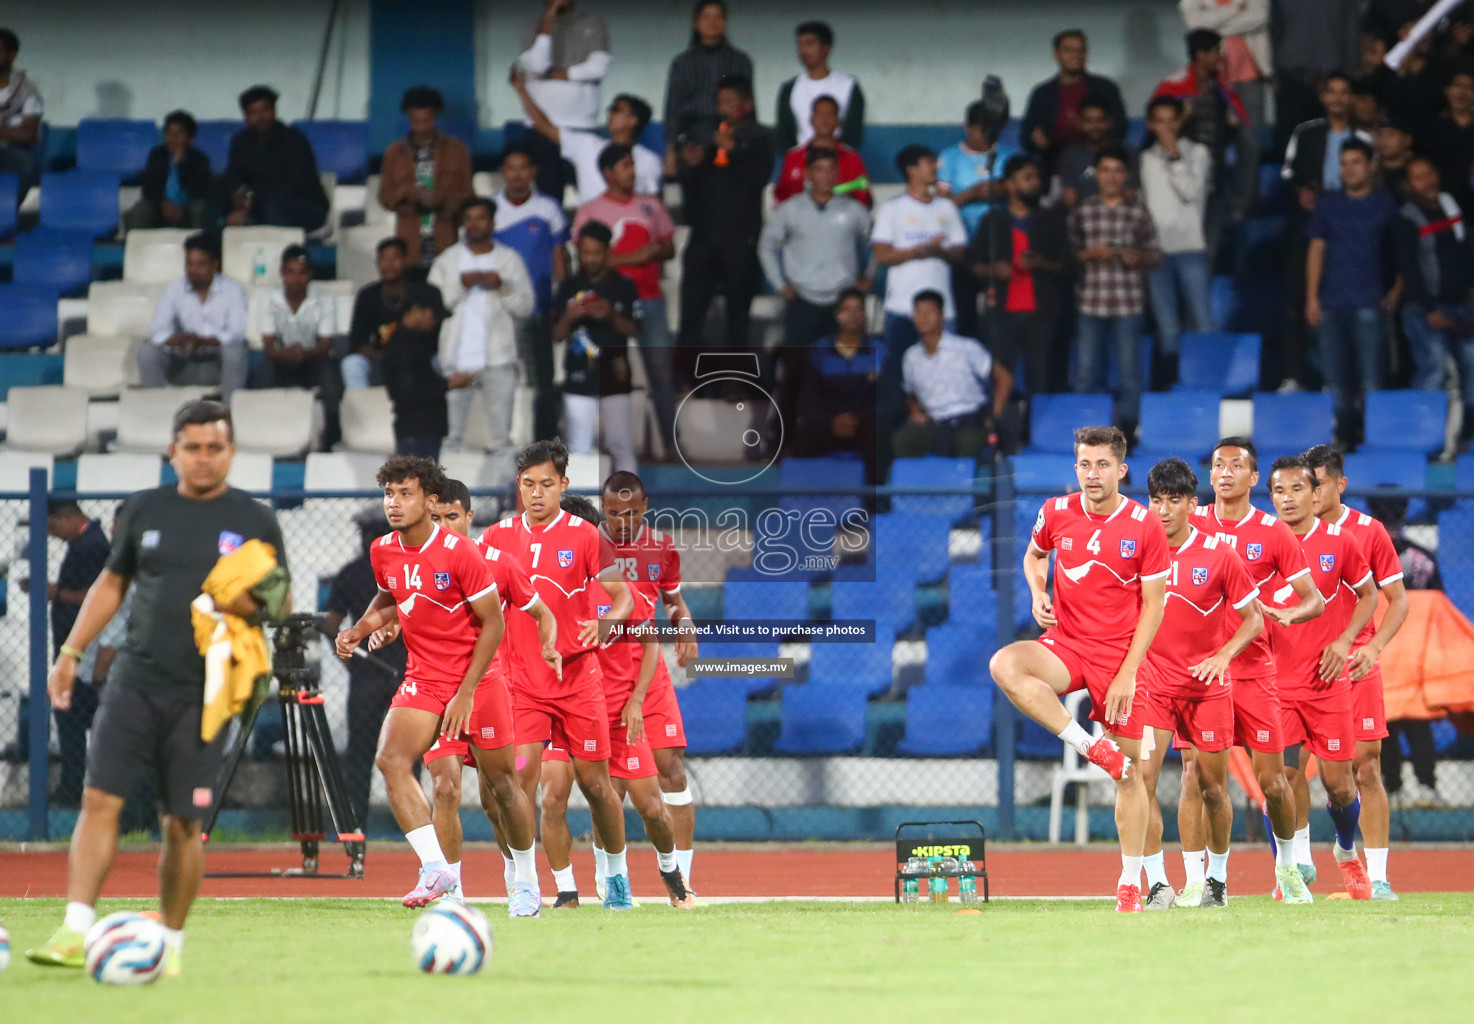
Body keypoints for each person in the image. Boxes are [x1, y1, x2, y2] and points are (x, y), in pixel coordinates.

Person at [29, 400, 287, 972]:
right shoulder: (145, 510)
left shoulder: (255, 520)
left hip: (205, 697)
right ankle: (75, 928)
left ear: (231, 452)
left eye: (214, 448)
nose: (202, 458)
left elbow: (280, 604)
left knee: (182, 824)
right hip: (134, 682)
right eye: (191, 447)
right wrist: (70, 652)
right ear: (174, 451)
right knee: (100, 800)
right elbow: (111, 584)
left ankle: (168, 945)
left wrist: (239, 600)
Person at [334, 456, 542, 916]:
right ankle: (438, 870)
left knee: (503, 786)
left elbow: (493, 625)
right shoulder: (382, 549)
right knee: (394, 762)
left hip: (479, 682)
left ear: (429, 501)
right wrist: (363, 627)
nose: (394, 502)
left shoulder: (462, 553)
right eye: (388, 493)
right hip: (424, 679)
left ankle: (524, 879)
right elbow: (391, 595)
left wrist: (468, 691)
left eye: (404, 493)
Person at [988, 426, 1169, 912]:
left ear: (1121, 469)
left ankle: (1132, 882)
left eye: (1102, 465)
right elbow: (1033, 555)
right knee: (1005, 664)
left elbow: (1154, 607)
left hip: (1121, 658)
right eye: (1085, 465)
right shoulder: (1055, 511)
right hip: (1066, 644)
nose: (1093, 474)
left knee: (1133, 779)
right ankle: (1092, 747)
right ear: (1076, 468)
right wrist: (1038, 591)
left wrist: (1129, 673)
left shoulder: (1144, 524)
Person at [481, 439, 638, 910]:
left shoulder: (586, 536)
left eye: (546, 484)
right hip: (521, 685)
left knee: (596, 786)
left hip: (577, 683)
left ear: (563, 485)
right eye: (527, 484)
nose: (536, 494)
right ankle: (526, 885)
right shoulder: (495, 538)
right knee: (517, 786)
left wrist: (606, 622)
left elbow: (624, 597)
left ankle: (615, 875)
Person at [535, 491, 696, 910]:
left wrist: (636, 701)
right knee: (555, 794)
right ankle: (575, 890)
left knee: (649, 806)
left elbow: (650, 645)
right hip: (563, 709)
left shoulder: (616, 594)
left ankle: (671, 872)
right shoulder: (542, 595)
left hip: (617, 711)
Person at [1178, 438, 1322, 906]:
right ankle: (1206, 879)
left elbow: (1313, 599)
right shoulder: (1187, 521)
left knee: (1274, 781)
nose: (1224, 472)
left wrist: (1284, 614)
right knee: (1198, 780)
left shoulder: (1274, 532)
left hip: (1255, 672)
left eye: (1236, 465)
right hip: (1199, 674)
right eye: (1217, 464)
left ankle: (1287, 865)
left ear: (1253, 478)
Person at [1136, 458, 1264, 910]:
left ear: (1193, 504)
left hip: (1207, 689)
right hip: (1152, 686)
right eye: (1156, 500)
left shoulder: (1219, 554)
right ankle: (1157, 885)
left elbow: (1254, 619)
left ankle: (1217, 881)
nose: (1164, 510)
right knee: (1140, 782)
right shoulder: (1135, 554)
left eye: (1174, 500)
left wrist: (1224, 655)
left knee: (1211, 787)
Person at [1263, 455, 1378, 901]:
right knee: (1281, 781)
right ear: (1269, 495)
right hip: (1274, 685)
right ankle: (1288, 871)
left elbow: (1368, 595)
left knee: (1339, 784)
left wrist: (1347, 640)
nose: (1288, 499)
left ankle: (1347, 852)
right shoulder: (1256, 542)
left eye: (1297, 489)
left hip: (1327, 683)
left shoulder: (1341, 541)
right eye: (1279, 491)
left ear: (1315, 494)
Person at [1304, 444, 1410, 901]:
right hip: (1299, 669)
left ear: (1339, 485)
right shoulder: (1283, 533)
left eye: (1318, 484)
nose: (1307, 494)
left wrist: (1375, 647)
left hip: (1354, 665)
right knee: (1299, 774)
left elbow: (1398, 600)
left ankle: (1377, 875)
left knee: (1367, 765)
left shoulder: (1369, 532)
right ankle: (1292, 870)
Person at [599, 472, 700, 889]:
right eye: (611, 513)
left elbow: (673, 600)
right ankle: (609, 879)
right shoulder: (587, 544)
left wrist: (685, 622)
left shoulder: (661, 547)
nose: (620, 521)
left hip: (648, 666)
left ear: (645, 507)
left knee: (671, 769)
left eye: (629, 513)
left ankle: (684, 882)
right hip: (600, 670)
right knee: (608, 782)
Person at [573, 145, 678, 451]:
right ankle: (592, 446)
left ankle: (671, 445)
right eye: (625, 166)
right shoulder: (590, 211)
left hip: (649, 299)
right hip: (606, 304)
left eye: (633, 165)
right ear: (607, 173)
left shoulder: (651, 206)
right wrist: (637, 256)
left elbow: (669, 247)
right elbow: (586, 261)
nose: (632, 172)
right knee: (599, 374)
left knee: (660, 372)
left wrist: (656, 252)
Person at [1280, 72, 1374, 391]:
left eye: (1343, 92)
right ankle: (1296, 375)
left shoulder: (1364, 138)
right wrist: (1300, 192)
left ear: (1351, 98)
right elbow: (1288, 172)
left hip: (1353, 234)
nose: (1336, 98)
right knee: (1299, 304)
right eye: (1330, 92)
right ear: (1322, 96)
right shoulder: (1306, 133)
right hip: (1310, 228)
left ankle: (1358, 386)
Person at [1306, 139, 1398, 445]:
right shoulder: (1328, 204)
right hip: (1331, 302)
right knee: (1333, 381)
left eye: (1355, 162)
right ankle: (1341, 442)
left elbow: (1403, 252)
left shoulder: (1387, 204)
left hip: (1370, 302)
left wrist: (1396, 289)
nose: (1348, 169)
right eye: (1343, 162)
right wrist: (1311, 296)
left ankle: (1376, 442)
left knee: (1372, 379)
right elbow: (1316, 249)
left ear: (1372, 165)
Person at [428, 197, 536, 458]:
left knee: (502, 439)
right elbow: (431, 307)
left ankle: (503, 494)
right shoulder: (448, 260)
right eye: (470, 219)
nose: (475, 224)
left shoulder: (509, 259)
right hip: (456, 360)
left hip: (498, 360)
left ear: (492, 222)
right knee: (450, 437)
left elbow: (526, 307)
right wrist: (460, 285)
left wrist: (502, 285)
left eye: (481, 218)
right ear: (464, 223)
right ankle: (443, 494)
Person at [675, 75, 773, 356]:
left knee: (737, 315)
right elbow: (689, 186)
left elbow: (759, 178)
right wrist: (690, 167)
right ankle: (686, 376)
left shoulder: (759, 138)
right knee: (692, 311)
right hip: (703, 238)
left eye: (731, 102)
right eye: (721, 102)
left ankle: (735, 380)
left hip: (740, 241)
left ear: (747, 104)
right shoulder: (703, 134)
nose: (724, 108)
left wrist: (735, 151)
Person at [1067, 144, 1161, 436]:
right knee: (1085, 371)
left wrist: (1139, 258)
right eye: (1105, 170)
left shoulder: (1137, 211)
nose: (1110, 177)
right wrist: (1088, 255)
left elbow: (1155, 253)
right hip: (1091, 301)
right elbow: (1067, 256)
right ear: (1096, 174)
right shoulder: (1083, 211)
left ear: (1125, 175)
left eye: (1117, 171)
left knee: (1130, 372)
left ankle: (1127, 432)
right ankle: (1086, 432)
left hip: (1126, 301)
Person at [870, 144, 968, 419]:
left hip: (942, 308)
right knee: (898, 372)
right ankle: (899, 427)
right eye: (928, 162)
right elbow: (882, 254)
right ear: (911, 169)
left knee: (944, 371)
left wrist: (939, 252)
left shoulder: (946, 208)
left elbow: (960, 253)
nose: (935, 167)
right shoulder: (893, 209)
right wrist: (918, 251)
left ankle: (944, 426)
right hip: (902, 307)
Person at [323, 511, 407, 830]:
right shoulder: (403, 570)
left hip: (368, 673)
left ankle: (353, 824)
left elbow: (330, 626)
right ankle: (408, 824)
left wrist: (351, 661)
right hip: (403, 672)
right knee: (406, 749)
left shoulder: (351, 573)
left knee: (361, 750)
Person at [973, 155, 1069, 420]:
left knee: (1040, 376)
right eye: (1028, 178)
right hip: (1002, 313)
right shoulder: (992, 221)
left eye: (1036, 178)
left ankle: (1037, 430)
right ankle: (1003, 430)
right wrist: (993, 271)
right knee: (1001, 377)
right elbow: (973, 264)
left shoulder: (1050, 219)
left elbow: (1067, 265)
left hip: (1041, 312)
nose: (1035, 183)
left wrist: (1042, 263)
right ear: (1010, 185)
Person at [1365, 494, 1445, 808]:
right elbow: (1441, 606)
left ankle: (1394, 788)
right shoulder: (1422, 557)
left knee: (1388, 722)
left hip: (1377, 652)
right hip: (1413, 656)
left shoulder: (1363, 557)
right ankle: (1426, 786)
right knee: (1415, 721)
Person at [1152, 28, 1257, 260]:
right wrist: (1182, 119)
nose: (1221, 58)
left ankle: (1240, 206)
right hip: (1182, 179)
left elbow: (1238, 129)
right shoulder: (1173, 87)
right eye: (1216, 52)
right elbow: (1154, 133)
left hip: (1214, 178)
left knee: (1249, 140)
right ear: (1201, 55)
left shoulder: (1221, 89)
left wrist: (1233, 123)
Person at [1393, 157, 1474, 454]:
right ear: (1408, 185)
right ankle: (1422, 440)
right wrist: (1429, 309)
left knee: (1472, 367)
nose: (1428, 181)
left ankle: (1464, 440)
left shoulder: (1452, 205)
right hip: (1424, 309)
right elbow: (1410, 268)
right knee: (1434, 368)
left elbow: (1465, 252)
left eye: (1430, 174)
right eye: (1419, 177)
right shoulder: (1406, 219)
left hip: (1461, 305)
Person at [34, 501, 111, 807]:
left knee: (74, 723)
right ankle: (74, 787)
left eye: (53, 527)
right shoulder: (86, 543)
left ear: (67, 517)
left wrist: (56, 594)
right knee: (73, 722)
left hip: (84, 656)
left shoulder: (92, 546)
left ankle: (73, 788)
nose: (53, 535)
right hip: (77, 653)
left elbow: (98, 596)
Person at [344, 237, 449, 459]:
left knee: (442, 360)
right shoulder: (368, 295)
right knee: (351, 364)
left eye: (395, 258)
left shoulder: (422, 292)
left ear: (406, 261)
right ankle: (366, 416)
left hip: (420, 361)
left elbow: (435, 336)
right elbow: (356, 342)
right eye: (384, 259)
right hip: (381, 360)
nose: (390, 264)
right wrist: (391, 354)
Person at [759, 146, 872, 351]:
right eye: (819, 169)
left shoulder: (854, 210)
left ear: (837, 173)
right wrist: (780, 283)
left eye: (831, 170)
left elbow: (876, 244)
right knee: (798, 365)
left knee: (839, 363)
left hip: (842, 299)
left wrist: (869, 277)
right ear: (809, 174)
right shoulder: (790, 209)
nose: (826, 176)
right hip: (802, 298)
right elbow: (766, 245)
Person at [493, 144, 570, 443]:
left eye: (523, 168)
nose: (517, 175)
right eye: (511, 168)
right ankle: (505, 439)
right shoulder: (489, 210)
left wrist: (559, 300)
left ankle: (545, 441)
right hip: (501, 313)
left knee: (542, 381)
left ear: (533, 172)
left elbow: (559, 258)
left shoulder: (548, 208)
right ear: (503, 172)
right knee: (505, 378)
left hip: (539, 310)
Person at [553, 221, 641, 473]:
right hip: (578, 375)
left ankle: (628, 509)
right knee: (578, 447)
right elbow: (557, 335)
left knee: (620, 444)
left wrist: (610, 315)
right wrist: (569, 317)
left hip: (615, 373)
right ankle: (583, 510)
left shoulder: (623, 286)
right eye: (585, 252)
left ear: (607, 252)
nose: (590, 259)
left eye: (596, 252)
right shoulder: (569, 287)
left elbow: (636, 329)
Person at [1139, 95, 1213, 387]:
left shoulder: (1198, 153)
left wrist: (1174, 154)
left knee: (1203, 323)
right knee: (1167, 327)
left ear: (1181, 122)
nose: (1167, 127)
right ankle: (1173, 387)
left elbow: (1190, 191)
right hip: (1157, 252)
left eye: (1172, 121)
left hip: (1191, 249)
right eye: (1160, 122)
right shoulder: (1145, 158)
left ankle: (1207, 383)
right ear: (1150, 124)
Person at [512, 71, 661, 202]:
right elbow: (545, 126)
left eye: (616, 109)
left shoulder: (649, 160)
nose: (609, 113)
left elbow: (652, 204)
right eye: (610, 109)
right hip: (591, 229)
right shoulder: (586, 145)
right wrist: (522, 91)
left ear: (633, 120)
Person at [517, 0, 612, 200]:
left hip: (581, 124)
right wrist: (549, 18)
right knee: (549, 193)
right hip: (542, 126)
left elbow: (598, 67)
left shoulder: (591, 23)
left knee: (589, 189)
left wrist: (560, 75)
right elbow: (538, 65)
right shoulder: (532, 26)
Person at [938, 101, 1015, 339]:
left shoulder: (1009, 156)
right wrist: (971, 194)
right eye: (983, 129)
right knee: (964, 309)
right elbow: (940, 206)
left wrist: (1001, 190)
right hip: (962, 247)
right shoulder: (949, 157)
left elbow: (1024, 196)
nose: (988, 136)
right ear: (968, 128)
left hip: (1001, 246)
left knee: (1003, 314)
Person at [140, 233, 249, 399]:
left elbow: (236, 333)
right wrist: (181, 340)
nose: (193, 270)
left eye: (200, 264)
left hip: (217, 365)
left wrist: (202, 341)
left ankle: (230, 411)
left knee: (236, 351)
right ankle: (157, 408)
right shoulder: (172, 291)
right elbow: (156, 331)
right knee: (148, 352)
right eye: (189, 263)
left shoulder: (233, 291)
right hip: (183, 363)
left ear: (215, 265)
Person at [790, 288, 882, 481]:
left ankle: (873, 505)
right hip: (827, 423)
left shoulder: (879, 352)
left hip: (864, 424)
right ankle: (804, 502)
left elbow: (885, 399)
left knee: (878, 437)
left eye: (858, 309)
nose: (852, 315)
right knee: (802, 436)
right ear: (837, 315)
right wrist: (832, 420)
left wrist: (856, 418)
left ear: (865, 316)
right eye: (846, 309)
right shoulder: (818, 352)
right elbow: (808, 400)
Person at [378, 86, 474, 268]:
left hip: (445, 237)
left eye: (426, 121)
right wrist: (407, 193)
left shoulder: (457, 150)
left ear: (435, 117)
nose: (421, 127)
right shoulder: (394, 153)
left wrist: (442, 199)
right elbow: (384, 197)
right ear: (408, 118)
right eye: (416, 121)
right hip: (409, 240)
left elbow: (468, 196)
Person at [893, 290, 993, 460]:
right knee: (902, 440)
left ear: (942, 316)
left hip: (968, 420)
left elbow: (1000, 376)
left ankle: (965, 486)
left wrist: (994, 414)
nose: (924, 317)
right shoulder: (911, 356)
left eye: (930, 311)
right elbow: (909, 392)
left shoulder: (966, 347)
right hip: (935, 422)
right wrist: (915, 410)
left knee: (969, 443)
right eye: (919, 312)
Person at [260, 244, 343, 450]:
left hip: (315, 360)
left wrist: (302, 353)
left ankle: (331, 436)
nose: (295, 279)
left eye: (301, 273)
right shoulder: (268, 299)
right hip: (282, 360)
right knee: (262, 372)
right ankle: (262, 430)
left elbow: (324, 345)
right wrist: (287, 354)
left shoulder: (325, 300)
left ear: (310, 275)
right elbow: (269, 347)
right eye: (290, 273)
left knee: (330, 373)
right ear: (282, 273)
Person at [662, 0, 753, 176]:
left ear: (725, 22)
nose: (713, 22)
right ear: (696, 23)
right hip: (693, 140)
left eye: (718, 17)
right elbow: (672, 110)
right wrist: (671, 151)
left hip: (733, 137)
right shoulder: (682, 63)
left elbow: (749, 107)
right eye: (706, 17)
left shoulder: (740, 61)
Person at [1019, 29, 1128, 176]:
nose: (1076, 55)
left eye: (1080, 50)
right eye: (1068, 50)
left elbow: (1120, 127)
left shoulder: (1105, 88)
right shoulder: (1042, 94)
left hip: (1100, 165)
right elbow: (1027, 137)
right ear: (1056, 54)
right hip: (1054, 166)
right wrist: (1037, 141)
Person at [221, 85, 329, 231]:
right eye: (253, 112)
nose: (260, 117)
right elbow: (233, 178)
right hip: (256, 205)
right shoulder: (240, 141)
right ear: (246, 116)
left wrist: (251, 203)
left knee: (272, 205)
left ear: (274, 111)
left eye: (265, 110)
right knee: (214, 209)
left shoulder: (293, 139)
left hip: (304, 205)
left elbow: (294, 184)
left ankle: (281, 252)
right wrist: (239, 202)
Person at [1179, 0, 1272, 132]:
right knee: (1212, 131)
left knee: (1252, 134)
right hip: (1211, 77)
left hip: (1250, 74)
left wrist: (1214, 28)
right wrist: (1236, 9)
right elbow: (1195, 24)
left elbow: (1260, 17)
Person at [774, 20, 865, 151]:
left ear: (826, 47)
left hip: (838, 161)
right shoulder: (789, 88)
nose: (803, 51)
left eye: (809, 44)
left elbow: (853, 132)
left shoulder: (848, 86)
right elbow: (784, 133)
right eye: (800, 45)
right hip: (801, 161)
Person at [772, 95, 872, 208]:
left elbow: (864, 198)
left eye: (830, 114)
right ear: (811, 119)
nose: (825, 119)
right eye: (820, 114)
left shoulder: (852, 158)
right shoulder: (793, 157)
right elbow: (781, 197)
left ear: (838, 120)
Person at [124, 110, 211, 231]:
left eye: (178, 133)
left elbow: (199, 190)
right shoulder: (157, 155)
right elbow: (149, 188)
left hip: (188, 208)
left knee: (201, 209)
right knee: (140, 212)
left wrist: (181, 164)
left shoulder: (199, 159)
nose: (173, 138)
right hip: (160, 206)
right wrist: (163, 204)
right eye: (169, 133)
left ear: (190, 138)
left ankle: (201, 247)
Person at [1056, 97, 1138, 209]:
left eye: (1100, 120)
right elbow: (1070, 200)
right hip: (1084, 219)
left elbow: (1131, 196)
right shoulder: (1070, 155)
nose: (1094, 126)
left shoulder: (1128, 152)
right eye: (1088, 121)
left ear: (1108, 122)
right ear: (1079, 122)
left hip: (1122, 218)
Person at [0, 28, 42, 204]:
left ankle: (6, 214)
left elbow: (29, 134)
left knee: (26, 163)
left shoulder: (27, 91)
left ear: (12, 55)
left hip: (7, 151)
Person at [1429, 68, 1474, 215]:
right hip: (1443, 206)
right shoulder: (1433, 127)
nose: (1462, 92)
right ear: (1447, 90)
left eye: (1469, 87)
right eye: (1458, 86)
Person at [1375, 116, 1417, 201]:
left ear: (1407, 140)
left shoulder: (1419, 169)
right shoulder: (1372, 173)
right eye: (1380, 135)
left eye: (1390, 135)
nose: (1383, 140)